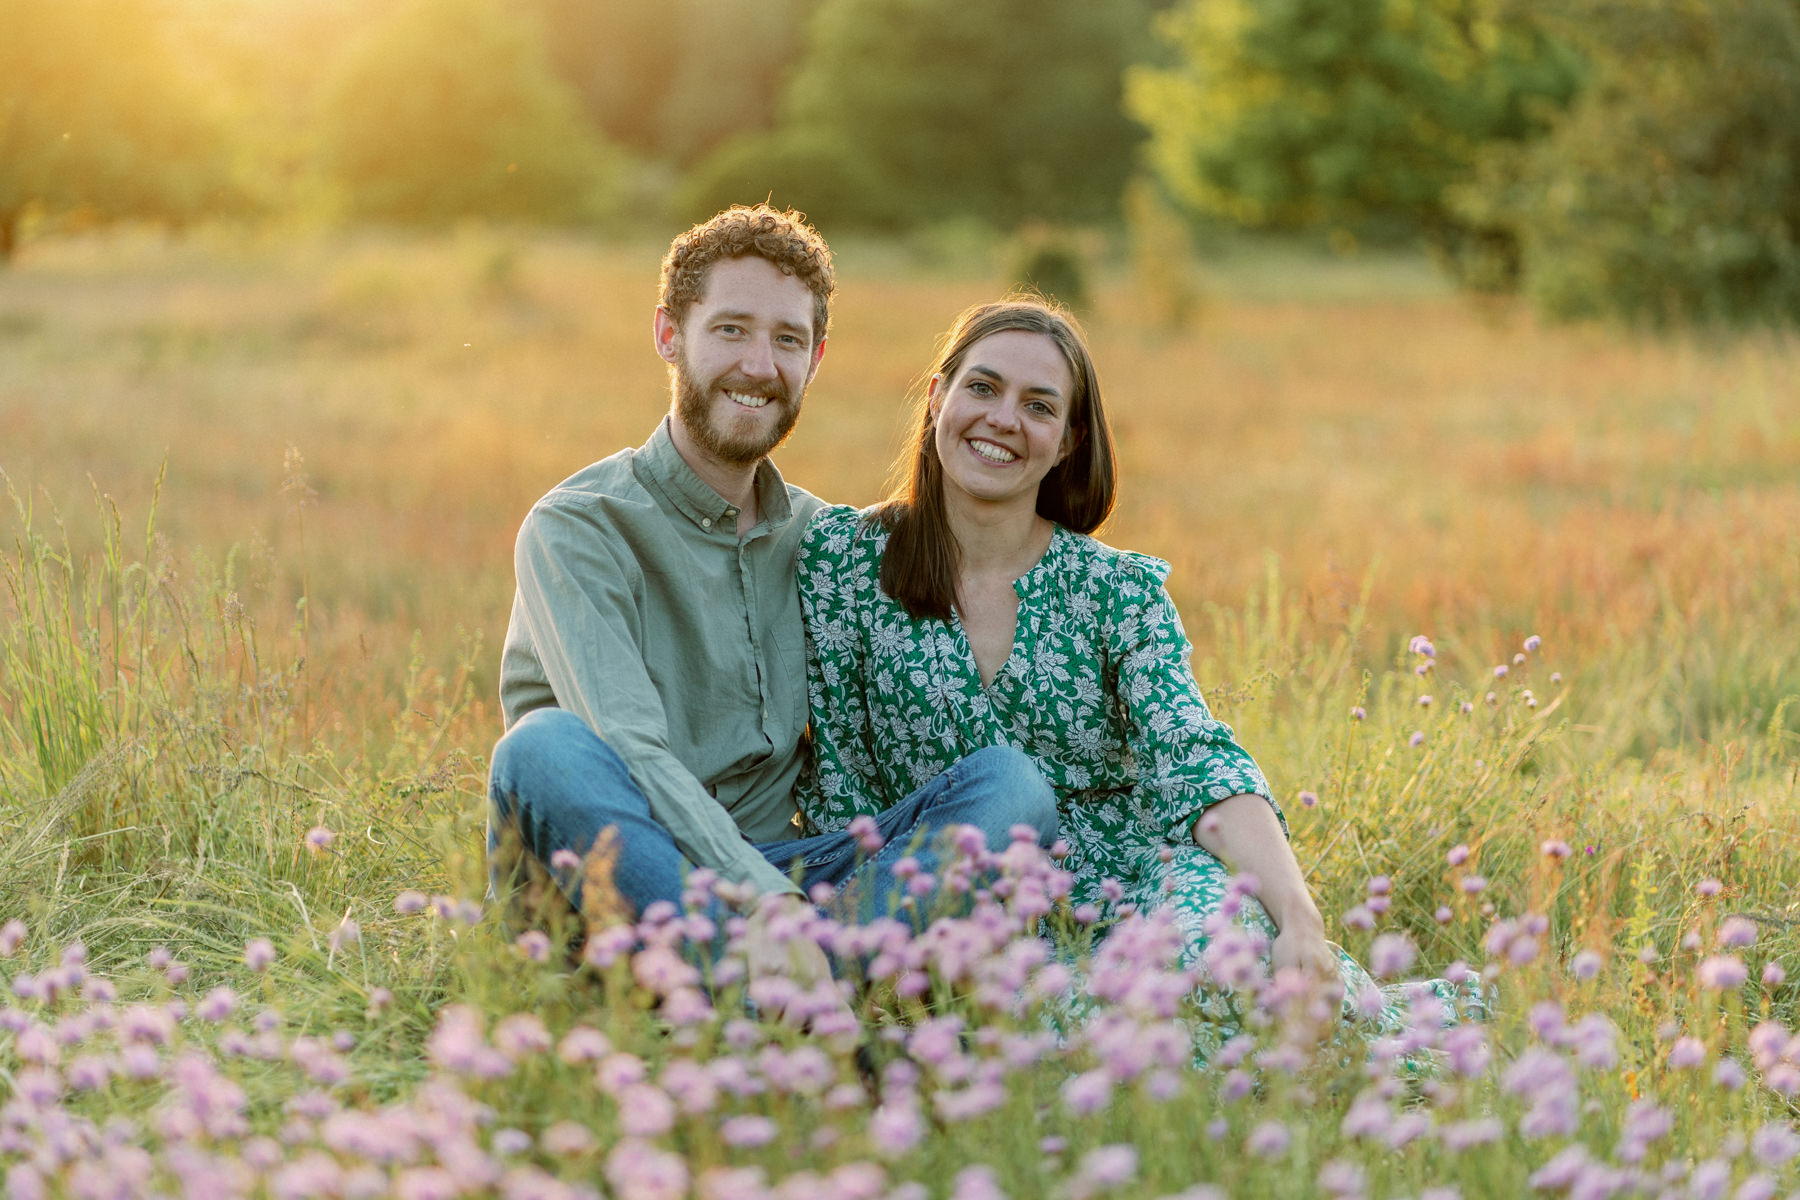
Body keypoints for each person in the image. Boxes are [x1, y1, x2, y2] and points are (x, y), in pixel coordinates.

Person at [796, 297, 1479, 1050]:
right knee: (1078, 1045)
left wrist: (1300, 918)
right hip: (958, 917)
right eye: (982, 389)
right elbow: (844, 786)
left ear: (1066, 442)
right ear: (937, 400)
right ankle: (1373, 1044)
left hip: (1136, 887)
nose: (1001, 419)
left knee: (1227, 971)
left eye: (1039, 406)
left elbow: (1195, 759)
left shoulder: (1117, 589)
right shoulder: (845, 560)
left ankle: (1419, 1031)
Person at [486, 209, 1059, 991]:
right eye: (730, 330)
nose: (760, 365)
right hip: (628, 867)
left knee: (1010, 785)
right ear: (668, 335)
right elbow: (629, 746)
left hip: (787, 868)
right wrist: (767, 907)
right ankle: (815, 996)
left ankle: (771, 997)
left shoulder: (823, 538)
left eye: (787, 340)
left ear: (815, 358)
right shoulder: (578, 528)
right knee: (540, 747)